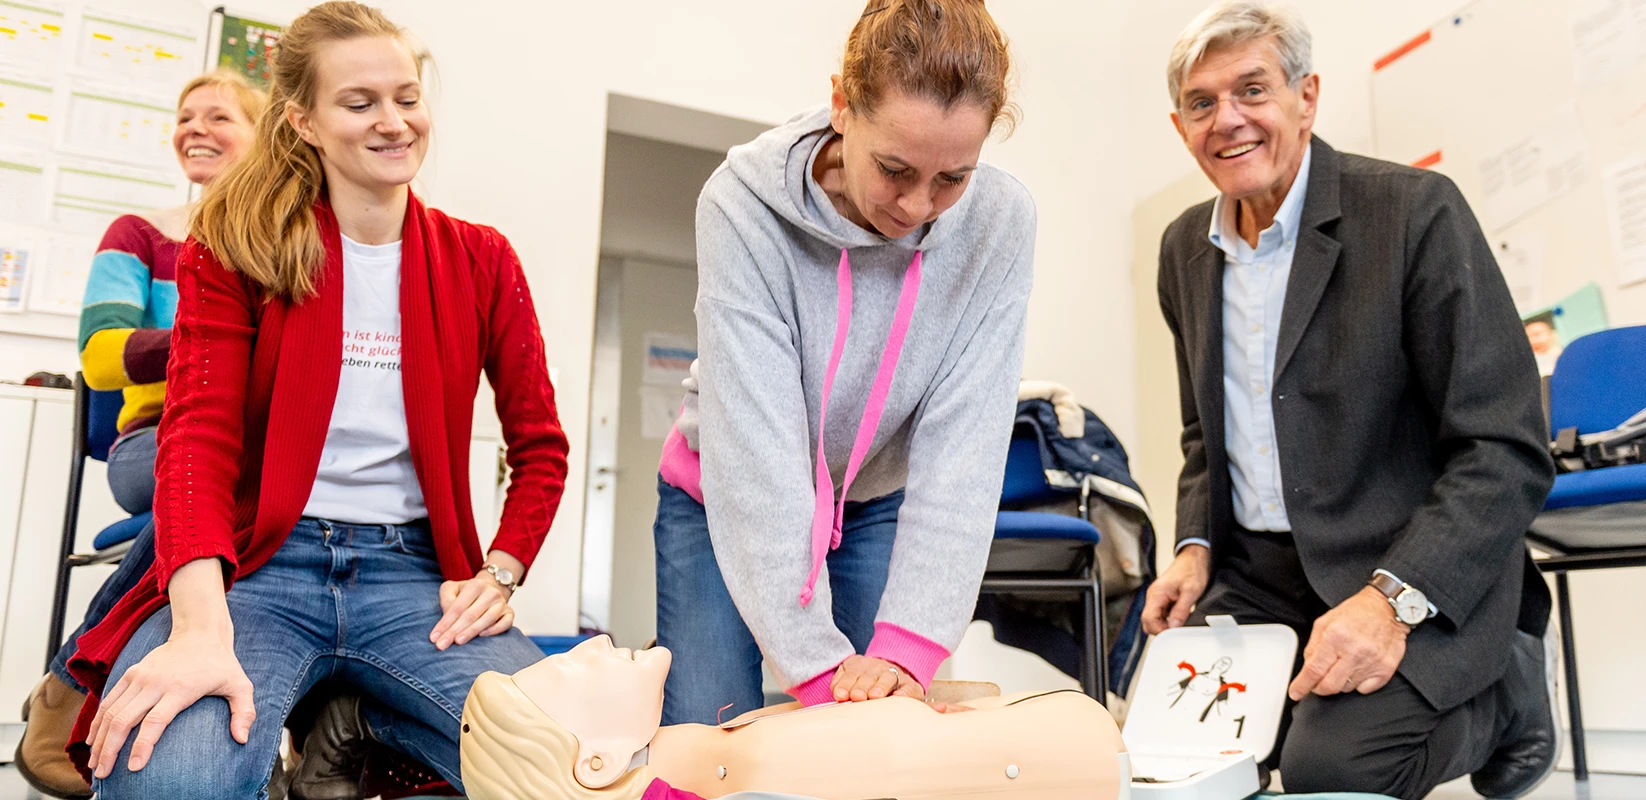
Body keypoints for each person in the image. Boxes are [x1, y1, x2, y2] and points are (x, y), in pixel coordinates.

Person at [62, 3, 569, 797]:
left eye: (406, 97)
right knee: (165, 781)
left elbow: (540, 446)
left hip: (416, 578)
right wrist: (198, 625)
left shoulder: (481, 259)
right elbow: (195, 440)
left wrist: (500, 573)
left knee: (574, 764)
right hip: (259, 565)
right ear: (303, 121)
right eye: (360, 103)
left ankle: (359, 723)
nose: (394, 122)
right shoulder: (237, 246)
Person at [1145, 3, 1557, 799]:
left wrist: (1391, 603)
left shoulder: (1414, 213)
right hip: (1257, 574)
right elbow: (1205, 437)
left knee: (1325, 772)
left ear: (1308, 97)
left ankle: (1504, 691)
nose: (1227, 119)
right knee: (1173, 762)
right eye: (1202, 102)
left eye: (1253, 90)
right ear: (1180, 125)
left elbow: (1504, 447)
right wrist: (1193, 547)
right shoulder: (1182, 252)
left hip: (1404, 561)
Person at [653, 0, 1036, 725]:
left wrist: (907, 650)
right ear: (841, 106)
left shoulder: (1000, 225)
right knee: (712, 732)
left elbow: (965, 451)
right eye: (895, 168)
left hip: (873, 502)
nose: (920, 205)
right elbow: (758, 454)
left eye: (953, 178)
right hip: (722, 491)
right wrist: (814, 665)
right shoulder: (742, 205)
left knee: (875, 740)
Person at [15, 69, 265, 800]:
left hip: (244, 449)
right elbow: (101, 354)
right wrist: (220, 338)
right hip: (149, 440)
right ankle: (71, 681)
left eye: (219, 117)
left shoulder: (278, 243)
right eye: (186, 117)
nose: (195, 128)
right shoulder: (141, 236)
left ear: (265, 139)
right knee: (209, 492)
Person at [458, 635, 1128, 800]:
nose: (597, 643)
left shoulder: (721, 755)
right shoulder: (737, 765)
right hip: (1082, 745)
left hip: (1057, 737)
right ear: (596, 761)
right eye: (574, 665)